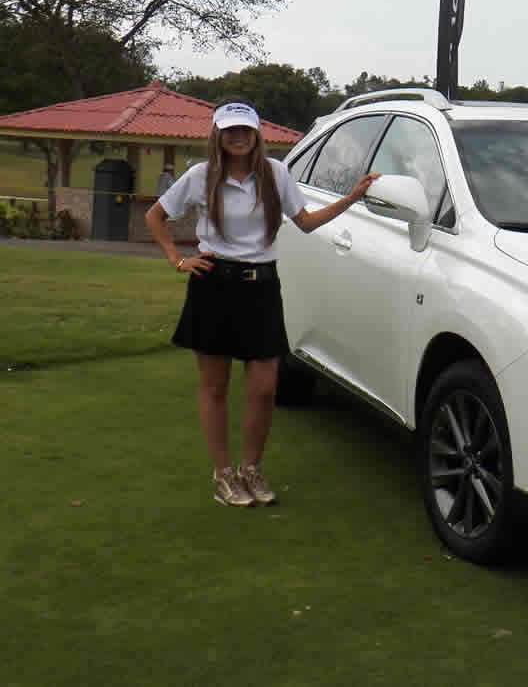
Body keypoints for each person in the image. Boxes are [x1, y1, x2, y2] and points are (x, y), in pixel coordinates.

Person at [145, 100, 379, 507]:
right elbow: (155, 216)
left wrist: (351, 198)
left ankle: (250, 469)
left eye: (245, 130)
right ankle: (223, 474)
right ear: (218, 135)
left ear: (256, 134)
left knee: (265, 389)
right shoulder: (201, 176)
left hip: (261, 288)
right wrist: (178, 260)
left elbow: (305, 222)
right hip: (213, 286)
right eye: (230, 130)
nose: (238, 137)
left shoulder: (276, 174)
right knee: (215, 387)